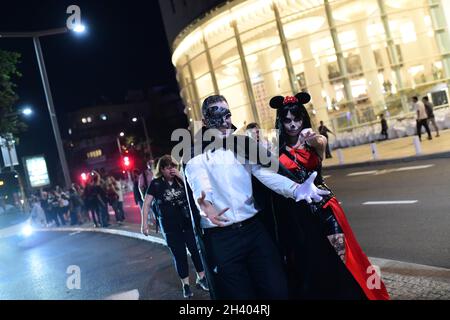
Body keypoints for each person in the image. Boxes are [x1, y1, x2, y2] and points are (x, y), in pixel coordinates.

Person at [183, 95, 330, 300]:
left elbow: (265, 174)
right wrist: (204, 205)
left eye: (227, 114)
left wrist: (296, 189)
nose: (224, 121)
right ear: (206, 121)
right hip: (222, 237)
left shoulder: (243, 145)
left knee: (277, 289)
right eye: (217, 116)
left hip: (253, 230)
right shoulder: (194, 153)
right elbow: (199, 183)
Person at [269, 92, 390, 300]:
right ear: (280, 121)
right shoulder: (275, 151)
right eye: (287, 120)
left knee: (343, 256)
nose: (292, 125)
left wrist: (315, 138)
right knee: (311, 261)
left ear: (304, 118)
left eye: (297, 119)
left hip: (325, 208)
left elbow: (321, 145)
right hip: (297, 214)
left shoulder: (313, 141)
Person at [141, 155, 209, 298]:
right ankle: (185, 285)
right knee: (180, 256)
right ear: (162, 169)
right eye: (167, 167)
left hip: (187, 223)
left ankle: (201, 278)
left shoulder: (181, 179)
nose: (170, 169)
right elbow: (146, 203)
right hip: (170, 227)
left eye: (173, 166)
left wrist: (181, 176)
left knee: (195, 251)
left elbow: (195, 189)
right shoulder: (156, 184)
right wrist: (144, 224)